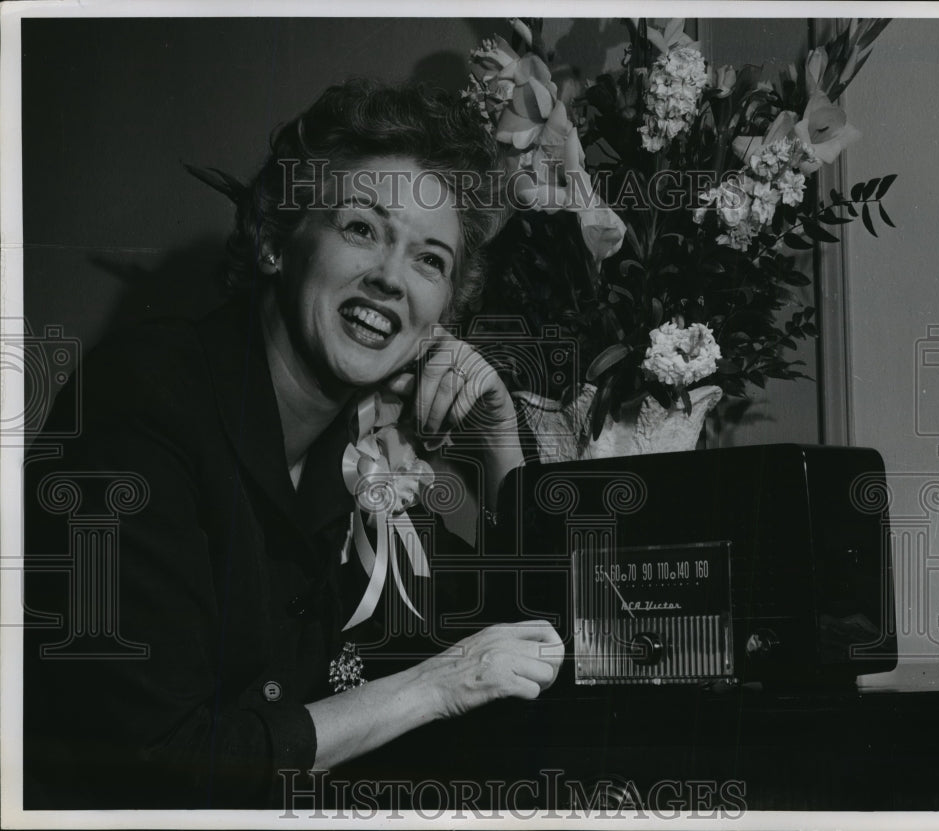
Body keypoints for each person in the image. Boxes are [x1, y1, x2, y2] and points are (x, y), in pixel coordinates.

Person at [23, 79, 564, 810]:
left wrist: (499, 438)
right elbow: (159, 761)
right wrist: (442, 684)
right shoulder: (142, 400)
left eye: (430, 259)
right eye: (362, 228)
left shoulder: (371, 442)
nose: (391, 277)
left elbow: (546, 650)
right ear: (277, 241)